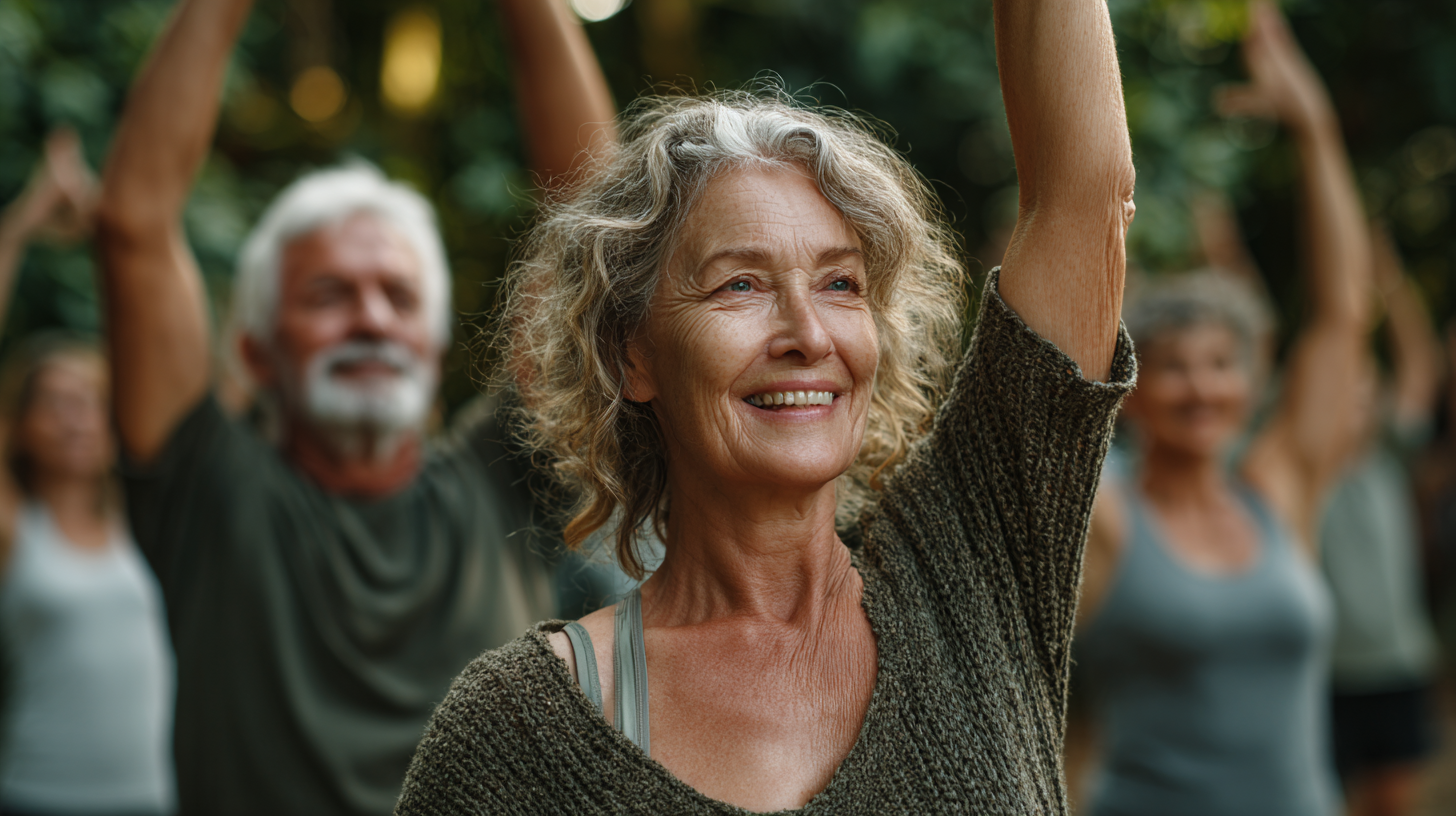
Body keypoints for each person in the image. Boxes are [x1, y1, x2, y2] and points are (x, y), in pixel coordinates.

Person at [395, 0, 1137, 811]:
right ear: (630, 354)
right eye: (740, 284)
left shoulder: (973, 568)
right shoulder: (517, 732)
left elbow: (1085, 196)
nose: (807, 333)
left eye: (840, 283)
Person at [93, 0, 616, 813]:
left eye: (398, 297)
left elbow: (596, 232)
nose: (370, 319)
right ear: (254, 351)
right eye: (328, 294)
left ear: (437, 347)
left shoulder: (504, 478)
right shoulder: (209, 490)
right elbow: (134, 224)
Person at [1074, 4, 1375, 815]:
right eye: (1173, 368)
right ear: (1130, 396)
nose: (1202, 388)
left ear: (1249, 383)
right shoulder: (1103, 517)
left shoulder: (1278, 489)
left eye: (1221, 365)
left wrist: (1312, 129)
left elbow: (1343, 317)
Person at [0, 133, 176, 815]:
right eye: (55, 401)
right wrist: (19, 226)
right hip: (35, 800)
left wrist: (122, 240)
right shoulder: (17, 527)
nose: (78, 417)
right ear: (21, 425)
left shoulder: (149, 520)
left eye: (93, 400)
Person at [1320, 224, 1444, 816]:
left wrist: (1387, 278)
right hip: (1322, 673)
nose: (1356, 401)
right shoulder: (1295, 468)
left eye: (1366, 390)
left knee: (1394, 803)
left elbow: (1418, 359)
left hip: (1397, 664)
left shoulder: (1390, 454)